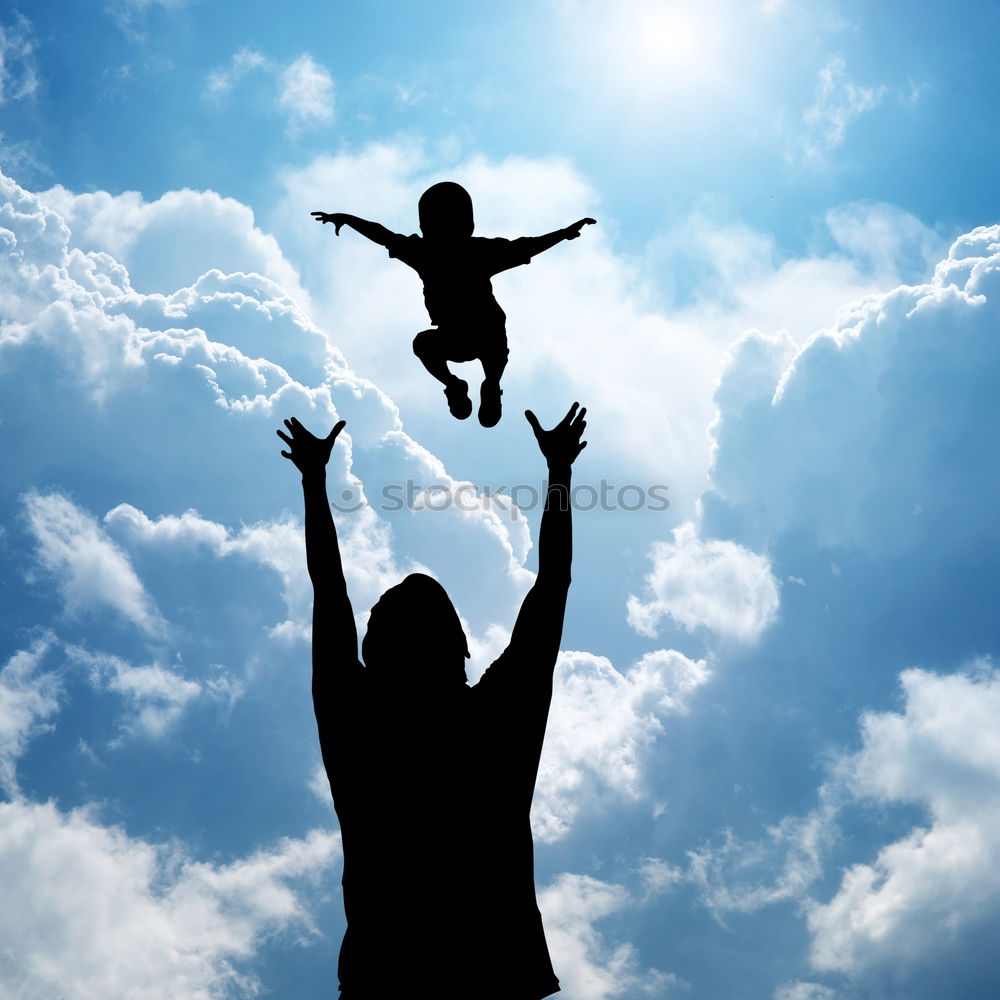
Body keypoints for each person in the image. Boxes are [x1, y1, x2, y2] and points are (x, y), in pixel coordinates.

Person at [277, 402, 588, 998]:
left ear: (373, 651)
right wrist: (558, 473)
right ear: (461, 649)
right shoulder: (497, 717)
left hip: (389, 973)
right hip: (495, 971)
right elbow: (553, 584)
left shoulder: (358, 720)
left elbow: (329, 591)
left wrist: (315, 485)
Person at [311, 182, 595, 427]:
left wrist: (347, 218)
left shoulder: (432, 252)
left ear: (425, 226)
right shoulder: (464, 251)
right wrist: (563, 233)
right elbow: (527, 246)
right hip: (463, 337)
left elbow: (382, 234)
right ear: (468, 224)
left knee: (460, 341)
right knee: (427, 343)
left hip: (480, 335)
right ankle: (463, 384)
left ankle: (488, 384)